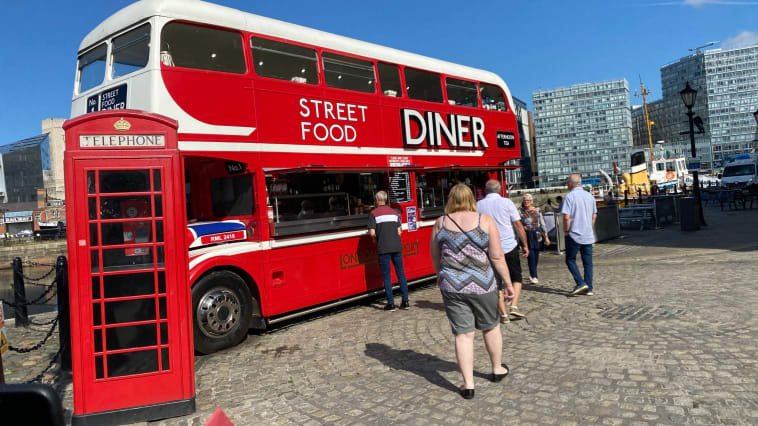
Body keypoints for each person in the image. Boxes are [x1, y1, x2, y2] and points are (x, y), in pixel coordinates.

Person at [430, 184, 514, 399]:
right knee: (491, 327)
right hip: (483, 285)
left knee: (463, 334)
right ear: (471, 199)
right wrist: (508, 283)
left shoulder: (441, 222)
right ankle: (496, 369)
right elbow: (496, 257)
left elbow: (435, 256)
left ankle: (468, 385)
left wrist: (441, 275)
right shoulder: (484, 220)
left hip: (452, 286)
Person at [476, 180, 529, 322]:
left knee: (496, 283)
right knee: (516, 277)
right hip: (508, 246)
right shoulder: (507, 203)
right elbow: (518, 224)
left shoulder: (478, 205)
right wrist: (525, 245)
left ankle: (503, 314)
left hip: (490, 248)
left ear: (485, 190)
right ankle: (514, 306)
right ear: (499, 189)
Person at [368, 191, 409, 311]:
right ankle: (405, 301)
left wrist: (376, 240)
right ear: (385, 200)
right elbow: (399, 231)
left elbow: (372, 233)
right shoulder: (394, 212)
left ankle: (390, 304)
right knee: (401, 273)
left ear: (377, 200)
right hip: (397, 247)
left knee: (386, 276)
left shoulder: (373, 213)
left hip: (383, 248)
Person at [561, 174, 598, 296]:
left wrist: (566, 230)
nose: (566, 184)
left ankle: (580, 282)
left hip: (574, 233)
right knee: (588, 263)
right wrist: (589, 227)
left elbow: (566, 217)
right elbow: (594, 215)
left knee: (570, 259)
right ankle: (589, 288)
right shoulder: (589, 196)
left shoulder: (570, 197)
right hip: (587, 234)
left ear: (571, 184)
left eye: (567, 182)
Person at [519, 194, 550, 284]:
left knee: (535, 257)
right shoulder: (520, 212)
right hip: (526, 237)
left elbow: (542, 225)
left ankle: (532, 272)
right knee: (531, 256)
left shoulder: (537, 211)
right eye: (525, 200)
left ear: (531, 201)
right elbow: (518, 225)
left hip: (537, 236)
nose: (526, 202)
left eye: (528, 200)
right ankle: (534, 276)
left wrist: (546, 237)